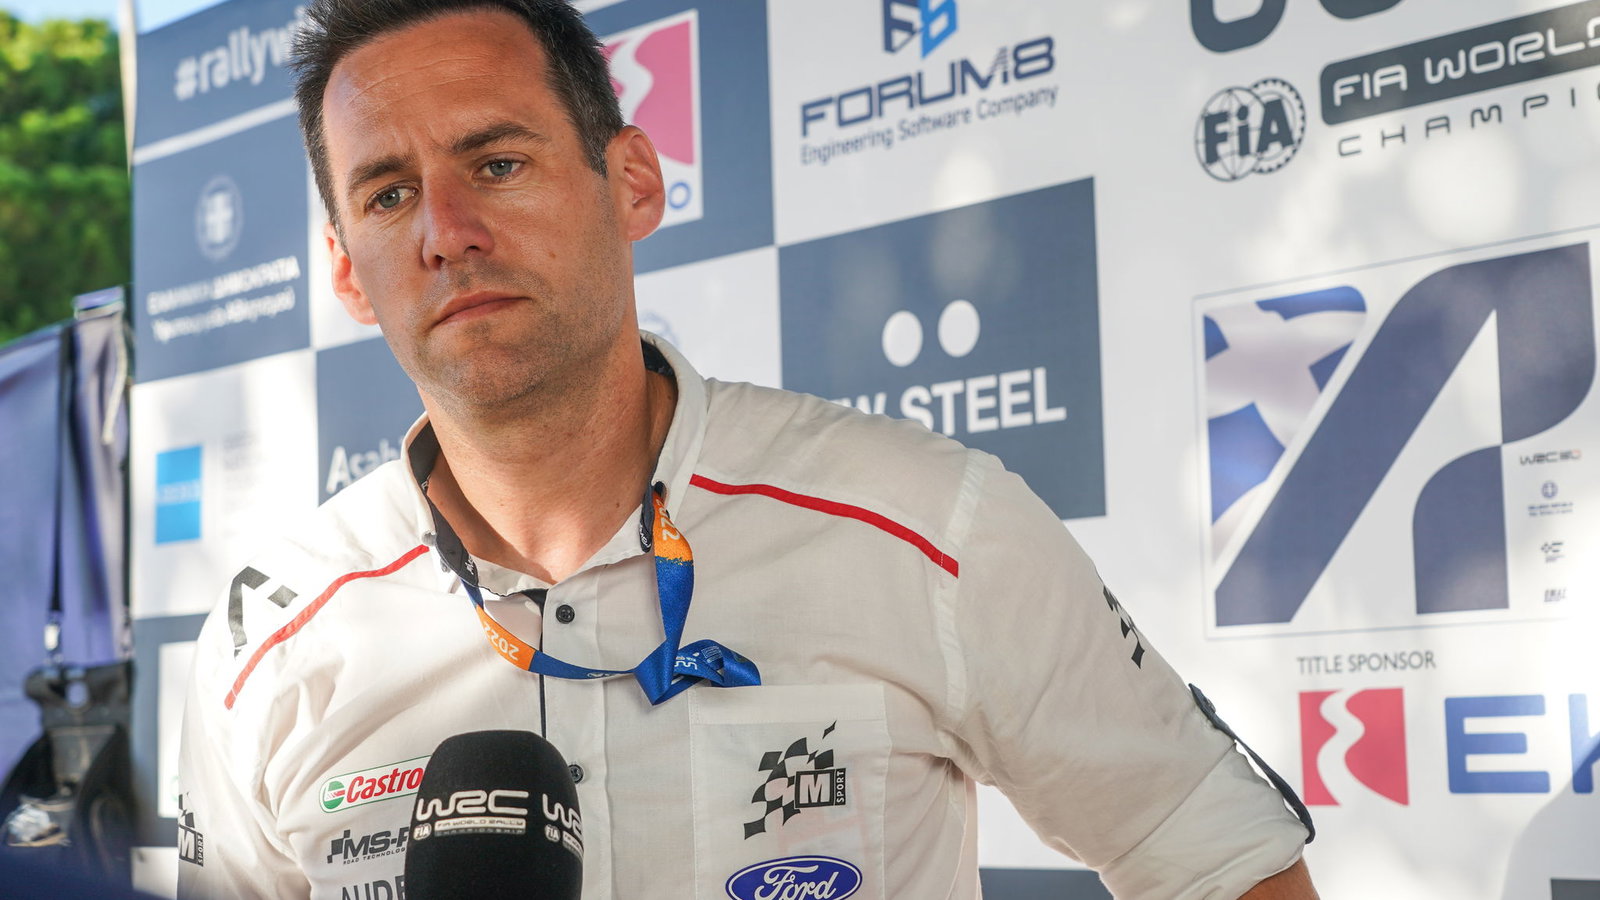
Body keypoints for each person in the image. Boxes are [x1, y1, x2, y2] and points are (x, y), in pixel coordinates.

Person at [178, 1, 1320, 898]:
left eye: (498, 164)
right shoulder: (266, 646)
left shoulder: (926, 524)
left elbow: (1217, 858)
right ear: (346, 273)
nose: (446, 232)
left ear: (632, 182)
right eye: (388, 196)